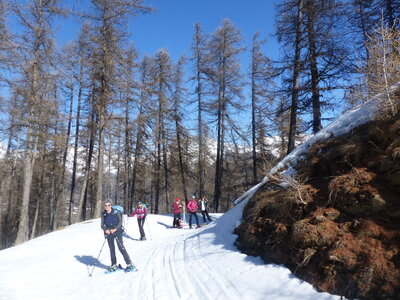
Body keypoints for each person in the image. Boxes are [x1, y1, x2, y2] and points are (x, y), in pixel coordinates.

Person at [101, 201, 134, 272]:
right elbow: (102, 225)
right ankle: (113, 264)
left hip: (117, 231)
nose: (107, 207)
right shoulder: (103, 214)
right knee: (111, 249)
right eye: (105, 205)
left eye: (108, 205)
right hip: (109, 232)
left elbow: (120, 222)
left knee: (121, 247)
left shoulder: (116, 212)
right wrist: (105, 230)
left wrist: (115, 229)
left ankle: (129, 263)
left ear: (111, 205)